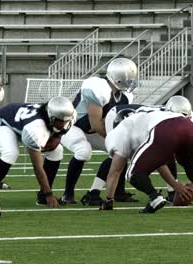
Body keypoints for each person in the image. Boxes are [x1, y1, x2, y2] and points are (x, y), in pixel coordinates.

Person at [100, 96, 193, 213]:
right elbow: (158, 163)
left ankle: (154, 197)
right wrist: (175, 185)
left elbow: (115, 171)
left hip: (163, 127)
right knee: (188, 162)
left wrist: (108, 200)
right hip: (188, 125)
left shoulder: (120, 131)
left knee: (132, 173)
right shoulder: (144, 119)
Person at [59, 57, 139, 205]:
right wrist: (114, 139)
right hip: (73, 126)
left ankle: (108, 192)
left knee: (122, 150)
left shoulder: (125, 95)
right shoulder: (97, 86)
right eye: (127, 80)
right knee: (83, 151)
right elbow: (95, 123)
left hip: (93, 131)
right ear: (118, 79)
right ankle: (67, 194)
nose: (130, 83)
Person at [0, 96, 76, 208]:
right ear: (51, 116)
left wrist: (57, 137)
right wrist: (49, 194)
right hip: (3, 121)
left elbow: (61, 129)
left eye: (65, 120)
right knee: (11, 153)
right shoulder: (36, 128)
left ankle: (42, 197)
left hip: (23, 123)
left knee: (57, 151)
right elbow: (37, 168)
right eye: (59, 121)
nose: (63, 124)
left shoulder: (70, 115)